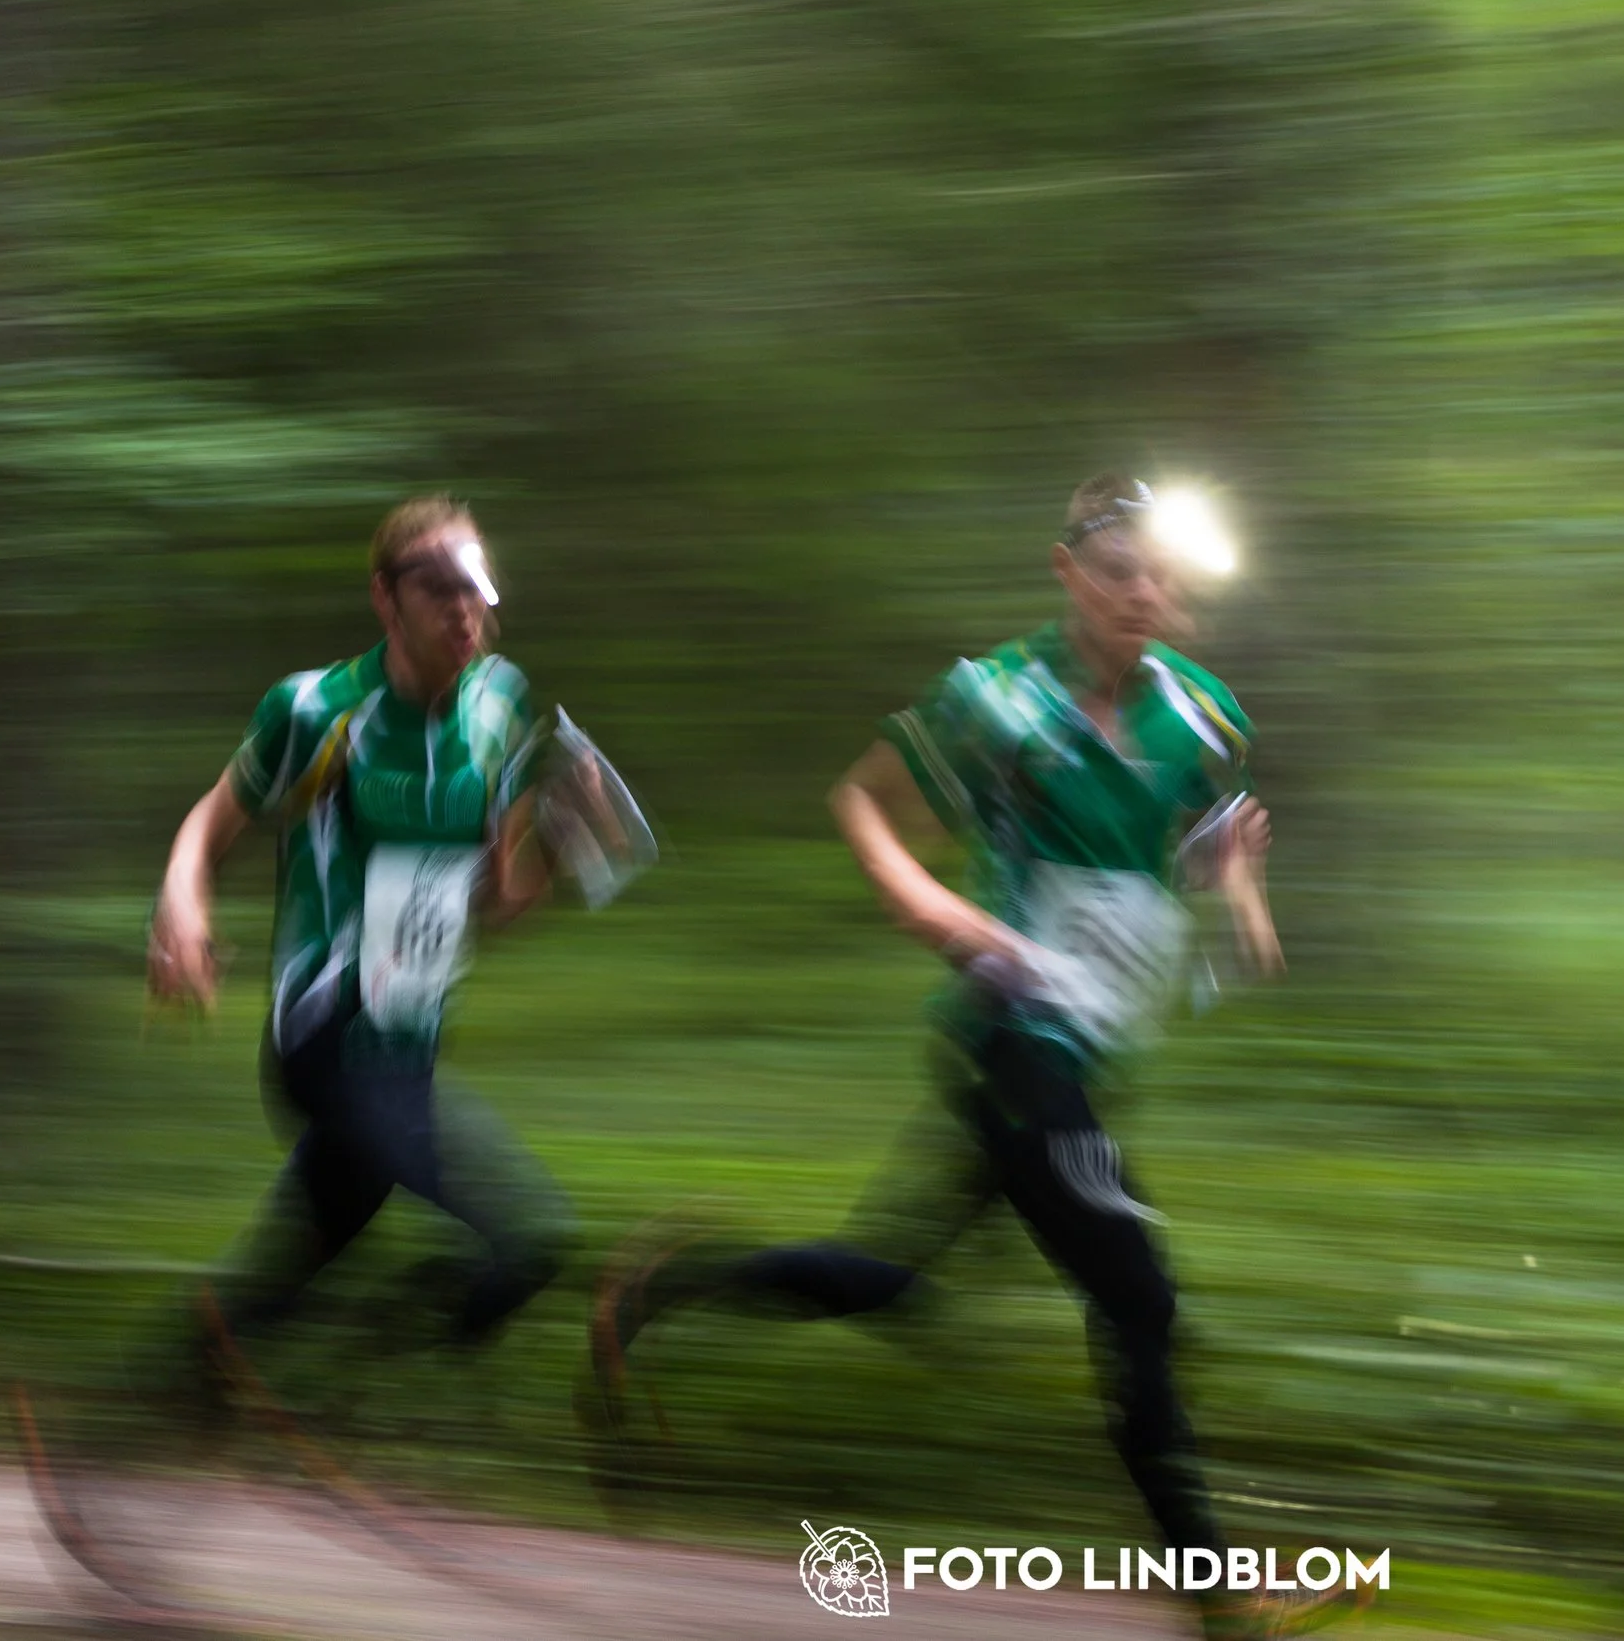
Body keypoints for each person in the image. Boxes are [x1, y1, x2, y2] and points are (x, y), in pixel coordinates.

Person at [588, 475, 1347, 1639]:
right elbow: (862, 799)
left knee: (894, 1277)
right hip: (1013, 1042)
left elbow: (1188, 839)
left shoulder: (1200, 709)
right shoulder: (996, 699)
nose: (1141, 590)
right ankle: (1217, 1600)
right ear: (1066, 572)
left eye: (1158, 572)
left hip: (1084, 1056)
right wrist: (924, 901)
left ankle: (657, 1288)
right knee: (1138, 1294)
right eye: (1116, 569)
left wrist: (1239, 886)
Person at [148, 492, 580, 1379]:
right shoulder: (314, 710)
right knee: (530, 1237)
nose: (464, 613)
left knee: (278, 1284)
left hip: (411, 1043)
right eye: (439, 591)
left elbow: (501, 900)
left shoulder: (499, 709)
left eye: (477, 592)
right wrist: (183, 905)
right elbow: (212, 820)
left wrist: (565, 841)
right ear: (385, 597)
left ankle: (138, 1422)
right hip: (324, 1034)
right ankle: (368, 1388)